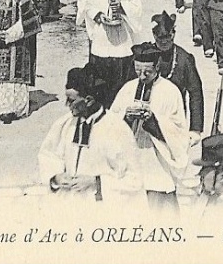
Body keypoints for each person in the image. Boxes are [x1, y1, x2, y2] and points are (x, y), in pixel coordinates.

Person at [38, 66, 143, 205]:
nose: (67, 105)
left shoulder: (117, 128)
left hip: (99, 209)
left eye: (71, 100)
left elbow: (133, 179)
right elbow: (49, 155)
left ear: (88, 100)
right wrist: (55, 178)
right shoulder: (64, 124)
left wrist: (96, 182)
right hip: (68, 208)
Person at [110, 45, 190, 214]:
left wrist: (154, 121)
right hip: (133, 156)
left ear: (157, 67)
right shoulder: (128, 89)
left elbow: (179, 130)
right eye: (138, 71)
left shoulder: (170, 91)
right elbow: (111, 123)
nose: (142, 76)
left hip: (157, 159)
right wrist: (127, 118)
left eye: (147, 72)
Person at [77, 0, 144, 107]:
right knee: (100, 77)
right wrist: (99, 16)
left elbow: (137, 9)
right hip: (102, 36)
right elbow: (88, 6)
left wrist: (122, 7)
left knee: (120, 78)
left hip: (121, 39)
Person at [150, 11, 204, 145]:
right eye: (159, 38)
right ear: (154, 36)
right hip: (150, 118)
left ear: (173, 34)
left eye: (167, 37)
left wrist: (195, 129)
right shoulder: (146, 56)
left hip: (176, 117)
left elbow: (195, 93)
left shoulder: (184, 59)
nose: (164, 42)